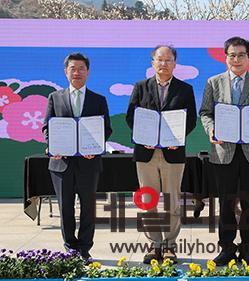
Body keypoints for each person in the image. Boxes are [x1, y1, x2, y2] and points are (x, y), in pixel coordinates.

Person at [199, 36, 249, 265]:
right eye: (232, 55)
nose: (237, 59)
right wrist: (211, 131)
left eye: (241, 55)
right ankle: (227, 248)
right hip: (224, 151)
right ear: (226, 57)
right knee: (226, 203)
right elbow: (205, 112)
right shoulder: (214, 82)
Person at [126, 45, 197, 264]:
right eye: (159, 60)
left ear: (175, 63)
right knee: (148, 200)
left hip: (173, 154)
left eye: (168, 60)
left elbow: (191, 120)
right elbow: (131, 117)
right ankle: (154, 244)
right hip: (146, 154)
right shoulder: (140, 87)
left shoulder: (185, 89)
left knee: (172, 202)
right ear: (152, 62)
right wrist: (142, 136)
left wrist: (177, 138)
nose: (163, 64)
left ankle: (169, 246)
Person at [42, 52, 112, 259]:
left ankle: (85, 249)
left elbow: (105, 129)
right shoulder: (55, 98)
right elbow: (48, 126)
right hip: (61, 163)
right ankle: (70, 249)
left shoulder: (99, 100)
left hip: (89, 163)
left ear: (88, 72)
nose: (77, 72)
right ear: (66, 72)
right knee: (65, 208)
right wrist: (51, 145)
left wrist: (95, 147)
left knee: (88, 208)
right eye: (73, 68)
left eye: (81, 68)